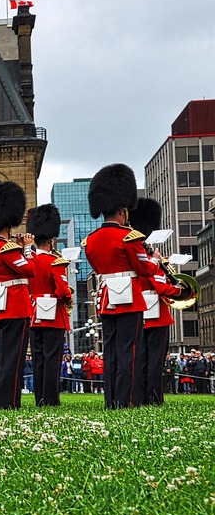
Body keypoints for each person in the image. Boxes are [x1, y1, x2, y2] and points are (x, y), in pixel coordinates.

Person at [84, 163, 155, 409]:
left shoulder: (91, 241)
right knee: (130, 351)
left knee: (111, 351)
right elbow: (145, 269)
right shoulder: (130, 237)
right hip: (130, 299)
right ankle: (127, 400)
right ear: (123, 210)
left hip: (106, 298)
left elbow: (96, 266)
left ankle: (111, 400)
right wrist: (154, 261)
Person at [0, 181, 34, 410]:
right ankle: (9, 402)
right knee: (13, 358)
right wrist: (28, 248)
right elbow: (30, 270)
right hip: (15, 306)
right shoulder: (7, 248)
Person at [129, 198, 187, 405]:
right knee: (155, 362)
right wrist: (178, 291)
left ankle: (139, 397)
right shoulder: (151, 258)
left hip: (137, 312)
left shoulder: (134, 253)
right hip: (157, 316)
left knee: (140, 360)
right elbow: (161, 286)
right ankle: (154, 398)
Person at [26, 203, 72, 407]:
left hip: (34, 313)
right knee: (52, 359)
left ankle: (40, 398)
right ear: (51, 238)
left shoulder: (29, 261)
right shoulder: (55, 262)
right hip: (53, 315)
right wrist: (68, 298)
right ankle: (51, 399)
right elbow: (62, 290)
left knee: (38, 360)